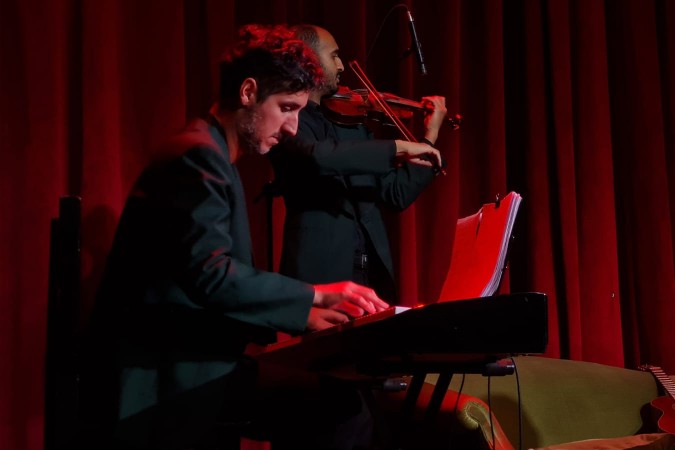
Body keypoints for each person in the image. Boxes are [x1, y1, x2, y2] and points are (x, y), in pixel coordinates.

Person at [81, 24, 441, 450]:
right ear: (249, 92)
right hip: (165, 377)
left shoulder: (213, 155)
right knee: (337, 405)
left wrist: (307, 316)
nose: (292, 128)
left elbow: (205, 281)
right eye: (287, 108)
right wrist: (314, 297)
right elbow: (211, 276)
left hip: (191, 361)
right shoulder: (198, 157)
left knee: (339, 400)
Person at [268, 24, 448, 304]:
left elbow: (395, 193)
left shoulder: (350, 125)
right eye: (335, 56)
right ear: (309, 60)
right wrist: (397, 147)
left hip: (370, 277)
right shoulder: (289, 120)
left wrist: (430, 137)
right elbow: (319, 156)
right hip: (320, 278)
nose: (341, 65)